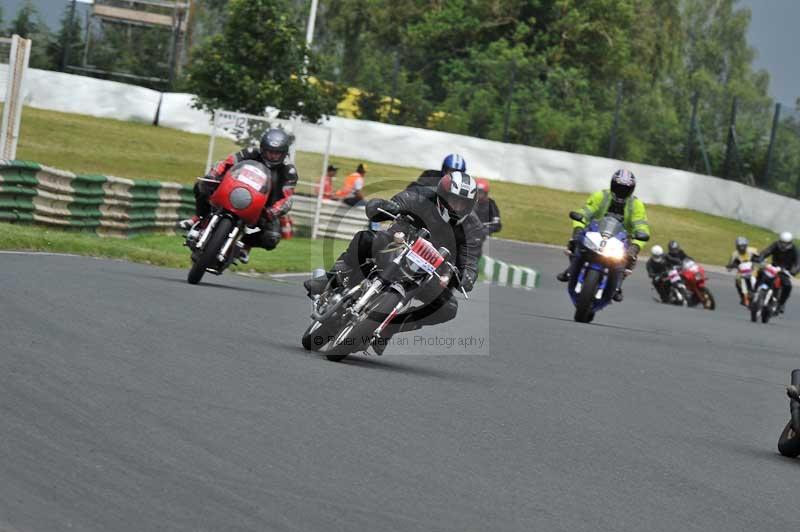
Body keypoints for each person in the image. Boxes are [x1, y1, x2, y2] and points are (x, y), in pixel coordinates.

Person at [304, 171, 483, 355]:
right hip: (398, 244)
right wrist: (384, 207)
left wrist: (467, 274)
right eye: (454, 201)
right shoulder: (421, 196)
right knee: (366, 239)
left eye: (463, 203)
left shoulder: (472, 227)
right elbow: (397, 204)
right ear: (442, 196)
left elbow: (470, 257)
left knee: (448, 308)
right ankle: (331, 278)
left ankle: (390, 329)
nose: (458, 207)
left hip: (431, 270)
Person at [179, 128, 298, 263]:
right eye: (269, 151)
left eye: (276, 154)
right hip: (234, 190)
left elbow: (286, 198)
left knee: (272, 238)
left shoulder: (289, 171)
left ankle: (245, 245)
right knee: (202, 185)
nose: (271, 156)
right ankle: (199, 218)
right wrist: (214, 174)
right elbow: (226, 163)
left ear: (284, 154)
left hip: (263, 208)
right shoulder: (250, 152)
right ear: (262, 148)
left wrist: (272, 211)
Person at [556, 169, 650, 302]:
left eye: (625, 189)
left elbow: (641, 226)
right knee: (576, 240)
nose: (621, 191)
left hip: (621, 238)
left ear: (631, 190)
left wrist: (636, 245)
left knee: (629, 257)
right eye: (618, 187)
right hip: (595, 231)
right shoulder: (601, 196)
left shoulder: (636, 205)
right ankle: (571, 269)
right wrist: (578, 227)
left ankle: (618, 284)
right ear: (612, 185)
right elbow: (585, 211)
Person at [757, 231, 800, 314]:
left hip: (785, 271)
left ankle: (781, 304)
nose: (783, 245)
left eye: (786, 243)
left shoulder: (795, 249)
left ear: (790, 242)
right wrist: (760, 258)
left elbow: (798, 263)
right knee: (760, 272)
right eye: (782, 242)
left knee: (787, 285)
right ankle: (755, 291)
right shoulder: (775, 245)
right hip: (773, 267)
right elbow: (766, 251)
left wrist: (793, 271)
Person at [725, 236, 760, 305]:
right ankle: (742, 297)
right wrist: (730, 266)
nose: (742, 248)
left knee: (758, 275)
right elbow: (730, 265)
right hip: (741, 271)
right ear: (737, 246)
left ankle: (759, 291)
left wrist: (759, 260)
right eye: (740, 246)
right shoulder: (734, 254)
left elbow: (760, 257)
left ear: (746, 245)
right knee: (737, 280)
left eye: (743, 246)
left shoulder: (752, 250)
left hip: (752, 269)